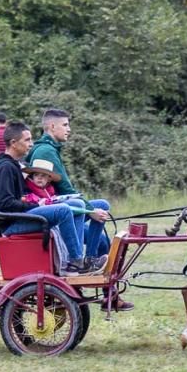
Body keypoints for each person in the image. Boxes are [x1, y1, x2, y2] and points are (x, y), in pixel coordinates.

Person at [25, 109, 131, 309]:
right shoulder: (45, 151)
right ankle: (88, 264)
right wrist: (90, 211)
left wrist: (92, 209)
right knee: (99, 231)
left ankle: (109, 292)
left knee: (102, 213)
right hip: (55, 213)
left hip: (60, 205)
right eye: (65, 125)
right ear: (51, 126)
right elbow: (66, 189)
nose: (69, 129)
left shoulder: (51, 148)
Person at [0, 121, 103, 276]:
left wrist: (39, 202)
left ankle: (81, 260)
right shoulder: (5, 168)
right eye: (27, 140)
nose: (31, 144)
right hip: (12, 224)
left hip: (21, 216)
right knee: (64, 210)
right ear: (13, 143)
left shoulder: (13, 165)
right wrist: (35, 204)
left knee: (77, 204)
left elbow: (20, 198)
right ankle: (76, 262)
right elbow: (6, 204)